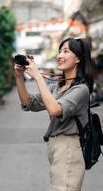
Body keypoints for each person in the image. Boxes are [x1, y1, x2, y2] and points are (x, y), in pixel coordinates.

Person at [14, 37, 94, 191]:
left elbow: (55, 109)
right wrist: (19, 77)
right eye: (59, 51)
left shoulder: (81, 89)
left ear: (78, 58)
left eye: (66, 51)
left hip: (68, 147)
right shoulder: (57, 87)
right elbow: (28, 102)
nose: (59, 55)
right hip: (55, 148)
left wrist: (37, 76)